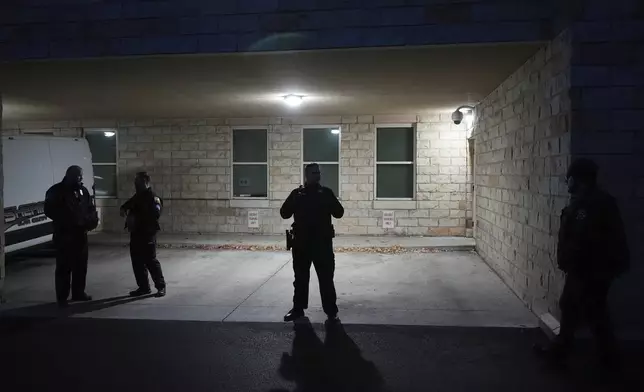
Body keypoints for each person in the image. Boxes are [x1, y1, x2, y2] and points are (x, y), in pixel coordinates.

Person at [534, 158, 630, 367]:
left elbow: (588, 240)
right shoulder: (588, 202)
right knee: (582, 310)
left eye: (569, 178)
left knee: (586, 311)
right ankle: (592, 356)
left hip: (590, 270)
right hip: (587, 269)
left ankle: (604, 359)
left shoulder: (591, 205)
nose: (567, 183)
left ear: (579, 179)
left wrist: (573, 262)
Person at [280, 163, 344, 322]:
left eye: (318, 173)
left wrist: (328, 201)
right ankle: (298, 309)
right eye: (314, 173)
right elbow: (284, 213)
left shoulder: (326, 193)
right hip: (302, 245)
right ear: (307, 175)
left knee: (326, 279)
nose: (317, 175)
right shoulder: (297, 194)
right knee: (300, 279)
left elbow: (339, 213)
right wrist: (295, 200)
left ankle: (331, 311)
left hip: (322, 244)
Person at [44, 165, 99, 307]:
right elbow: (49, 210)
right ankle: (62, 298)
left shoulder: (82, 190)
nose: (81, 178)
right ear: (70, 175)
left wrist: (92, 220)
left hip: (81, 235)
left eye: (81, 175)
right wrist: (68, 220)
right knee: (64, 267)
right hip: (65, 235)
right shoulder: (56, 191)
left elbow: (90, 207)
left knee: (80, 266)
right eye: (78, 175)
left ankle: (78, 292)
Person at [121, 172, 166, 298]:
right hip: (136, 233)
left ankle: (161, 286)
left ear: (146, 183)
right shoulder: (137, 196)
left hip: (147, 234)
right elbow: (126, 205)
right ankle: (143, 287)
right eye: (135, 183)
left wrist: (138, 217)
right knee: (137, 262)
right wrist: (123, 210)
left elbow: (156, 215)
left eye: (139, 183)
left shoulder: (153, 197)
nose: (136, 185)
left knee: (150, 261)